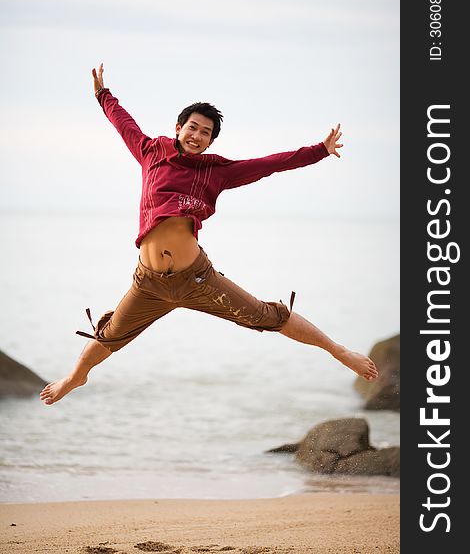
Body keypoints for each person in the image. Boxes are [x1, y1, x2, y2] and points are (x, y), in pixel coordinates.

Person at [40, 63, 378, 406]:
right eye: (193, 127)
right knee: (109, 337)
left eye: (206, 132)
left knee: (266, 315)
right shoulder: (151, 151)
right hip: (149, 284)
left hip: (197, 280)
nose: (197, 136)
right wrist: (102, 93)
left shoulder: (217, 171)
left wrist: (319, 150)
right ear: (179, 128)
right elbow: (122, 123)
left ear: (211, 140)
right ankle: (75, 377)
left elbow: (270, 163)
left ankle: (338, 351)